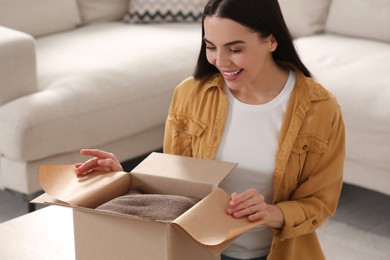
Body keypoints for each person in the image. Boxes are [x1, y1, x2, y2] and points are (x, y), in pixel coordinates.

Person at [75, 0, 345, 259]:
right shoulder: (190, 94)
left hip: (277, 253)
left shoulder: (319, 108)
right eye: (211, 46)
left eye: (235, 49)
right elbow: (174, 189)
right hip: (195, 250)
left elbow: (320, 202)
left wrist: (272, 212)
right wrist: (123, 180)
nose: (220, 61)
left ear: (271, 40)